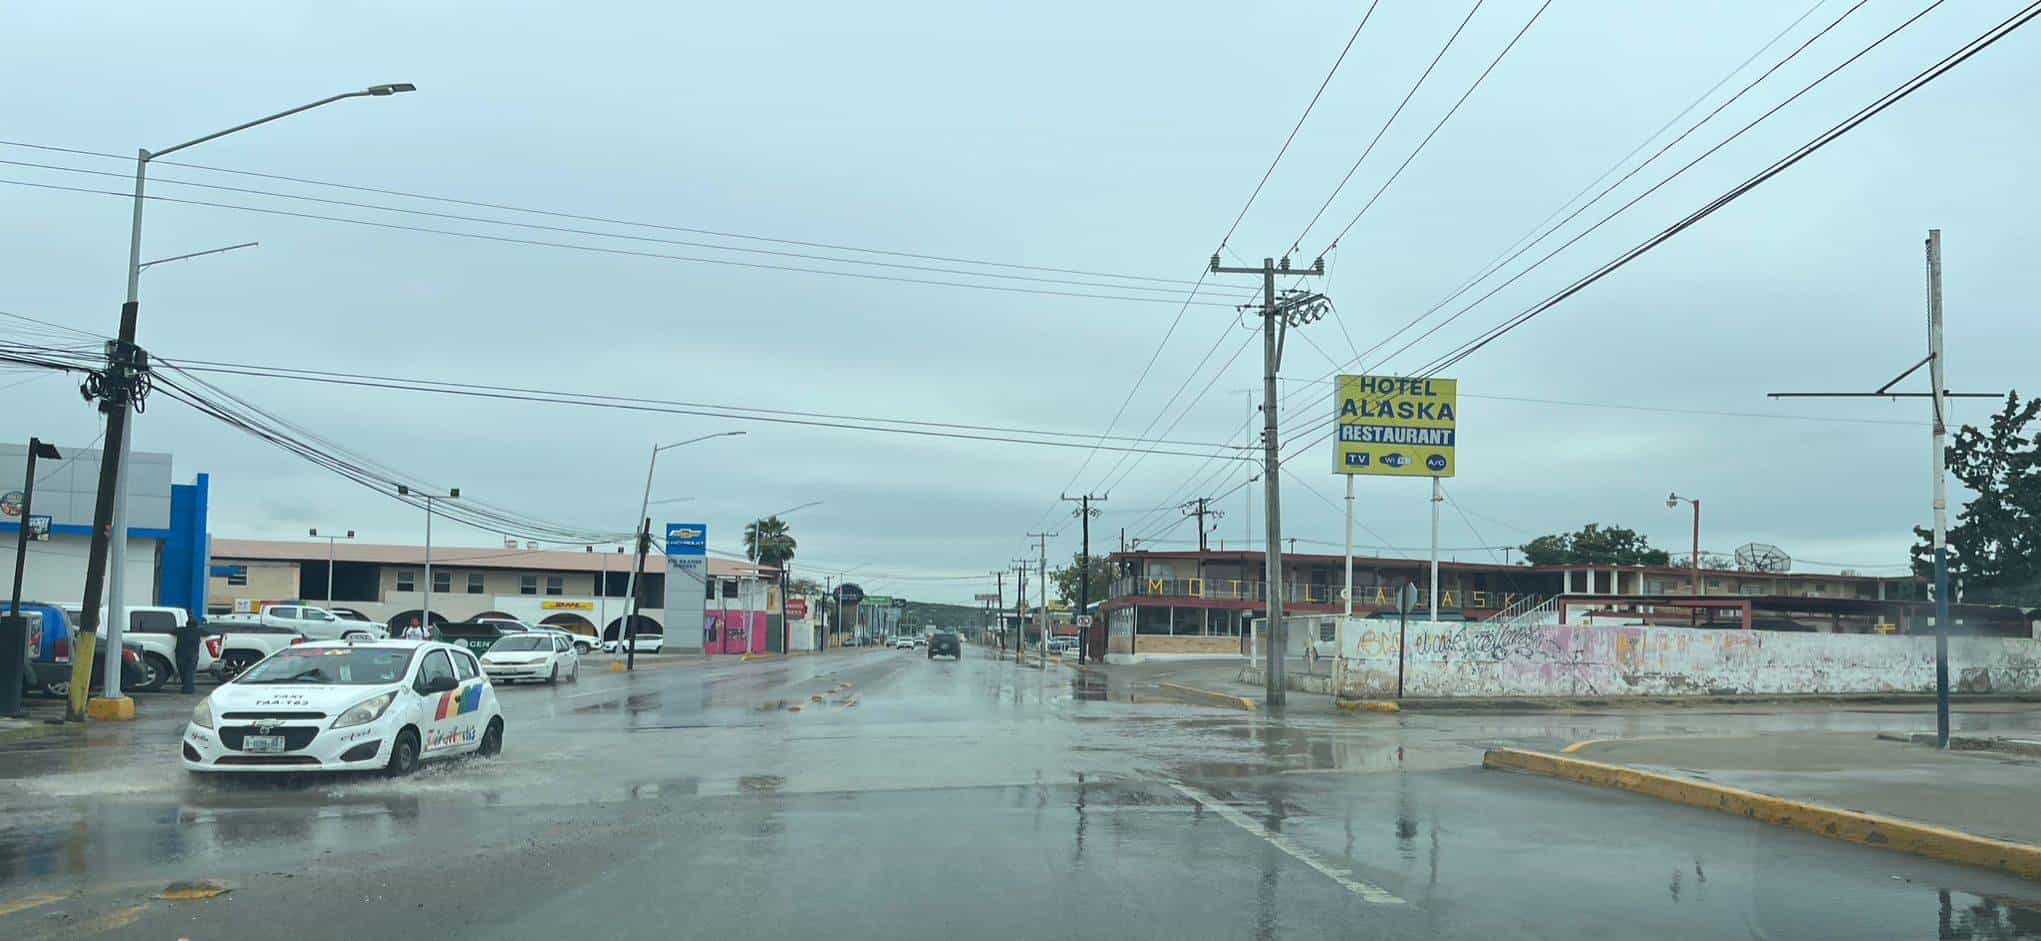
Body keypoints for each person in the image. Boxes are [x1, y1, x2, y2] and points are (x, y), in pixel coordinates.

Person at [173, 615, 204, 694]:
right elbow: (208, 632)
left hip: (180, 654)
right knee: (190, 672)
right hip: (193, 654)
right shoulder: (198, 631)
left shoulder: (180, 630)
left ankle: (186, 687)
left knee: (182, 671)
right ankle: (188, 689)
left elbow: (171, 631)